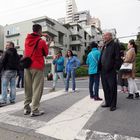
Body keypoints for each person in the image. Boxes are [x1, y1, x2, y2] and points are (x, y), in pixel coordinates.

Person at [24, 24, 50, 117]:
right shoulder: (41, 41)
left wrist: (41, 35)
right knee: (37, 89)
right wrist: (49, 42)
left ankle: (26, 108)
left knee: (28, 88)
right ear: (40, 30)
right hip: (37, 66)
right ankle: (34, 110)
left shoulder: (27, 39)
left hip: (27, 66)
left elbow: (34, 37)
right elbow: (46, 53)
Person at [100, 32, 121, 111]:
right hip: (103, 70)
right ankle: (108, 102)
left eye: (106, 35)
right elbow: (102, 57)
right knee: (105, 88)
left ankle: (113, 105)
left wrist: (115, 68)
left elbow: (118, 57)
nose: (104, 37)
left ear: (110, 36)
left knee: (112, 88)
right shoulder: (104, 45)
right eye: (104, 36)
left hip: (111, 70)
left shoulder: (115, 44)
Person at [0, 41, 20, 106]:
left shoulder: (6, 52)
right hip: (14, 71)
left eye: (8, 45)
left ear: (12, 46)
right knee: (13, 86)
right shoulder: (17, 54)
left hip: (7, 71)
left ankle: (3, 100)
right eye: (6, 45)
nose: (6, 46)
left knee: (4, 86)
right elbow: (18, 63)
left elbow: (2, 61)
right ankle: (12, 99)